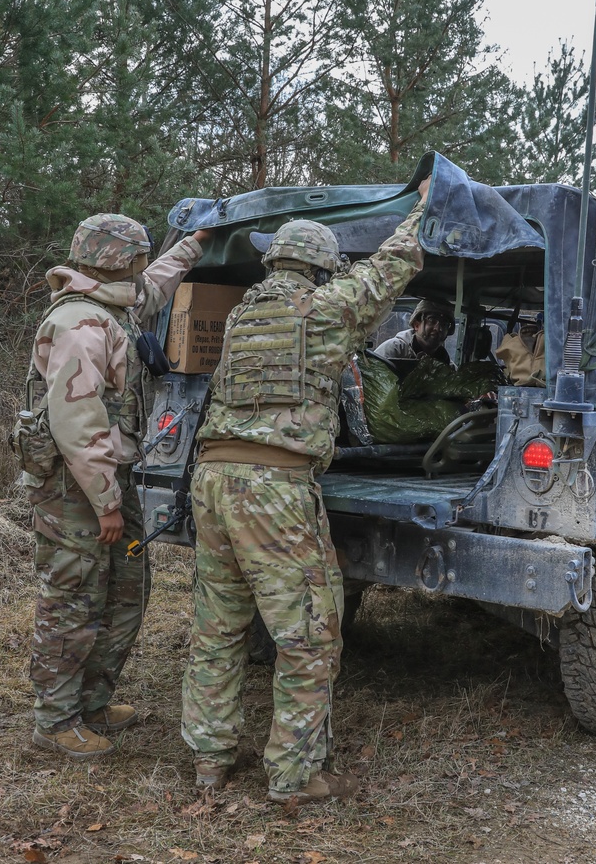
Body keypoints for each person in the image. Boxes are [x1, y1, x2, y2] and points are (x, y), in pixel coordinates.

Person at [181, 178, 431, 804]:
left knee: (220, 627)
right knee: (310, 634)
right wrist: (427, 205)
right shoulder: (320, 310)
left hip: (212, 482)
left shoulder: (242, 315)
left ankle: (209, 762)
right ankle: (294, 777)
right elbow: (391, 267)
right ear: (322, 267)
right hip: (273, 489)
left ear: (274, 262)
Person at [23, 213, 207, 759]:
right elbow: (78, 425)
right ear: (120, 258)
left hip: (108, 479)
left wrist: (195, 245)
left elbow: (155, 287)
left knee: (127, 590)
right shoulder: (81, 324)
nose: (145, 263)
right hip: (77, 487)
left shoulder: (113, 307)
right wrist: (106, 501)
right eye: (139, 253)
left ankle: (94, 701)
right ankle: (55, 722)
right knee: (74, 597)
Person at [373, 296, 456, 366]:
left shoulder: (449, 366)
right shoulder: (393, 350)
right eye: (432, 320)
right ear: (416, 325)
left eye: (444, 324)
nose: (438, 328)